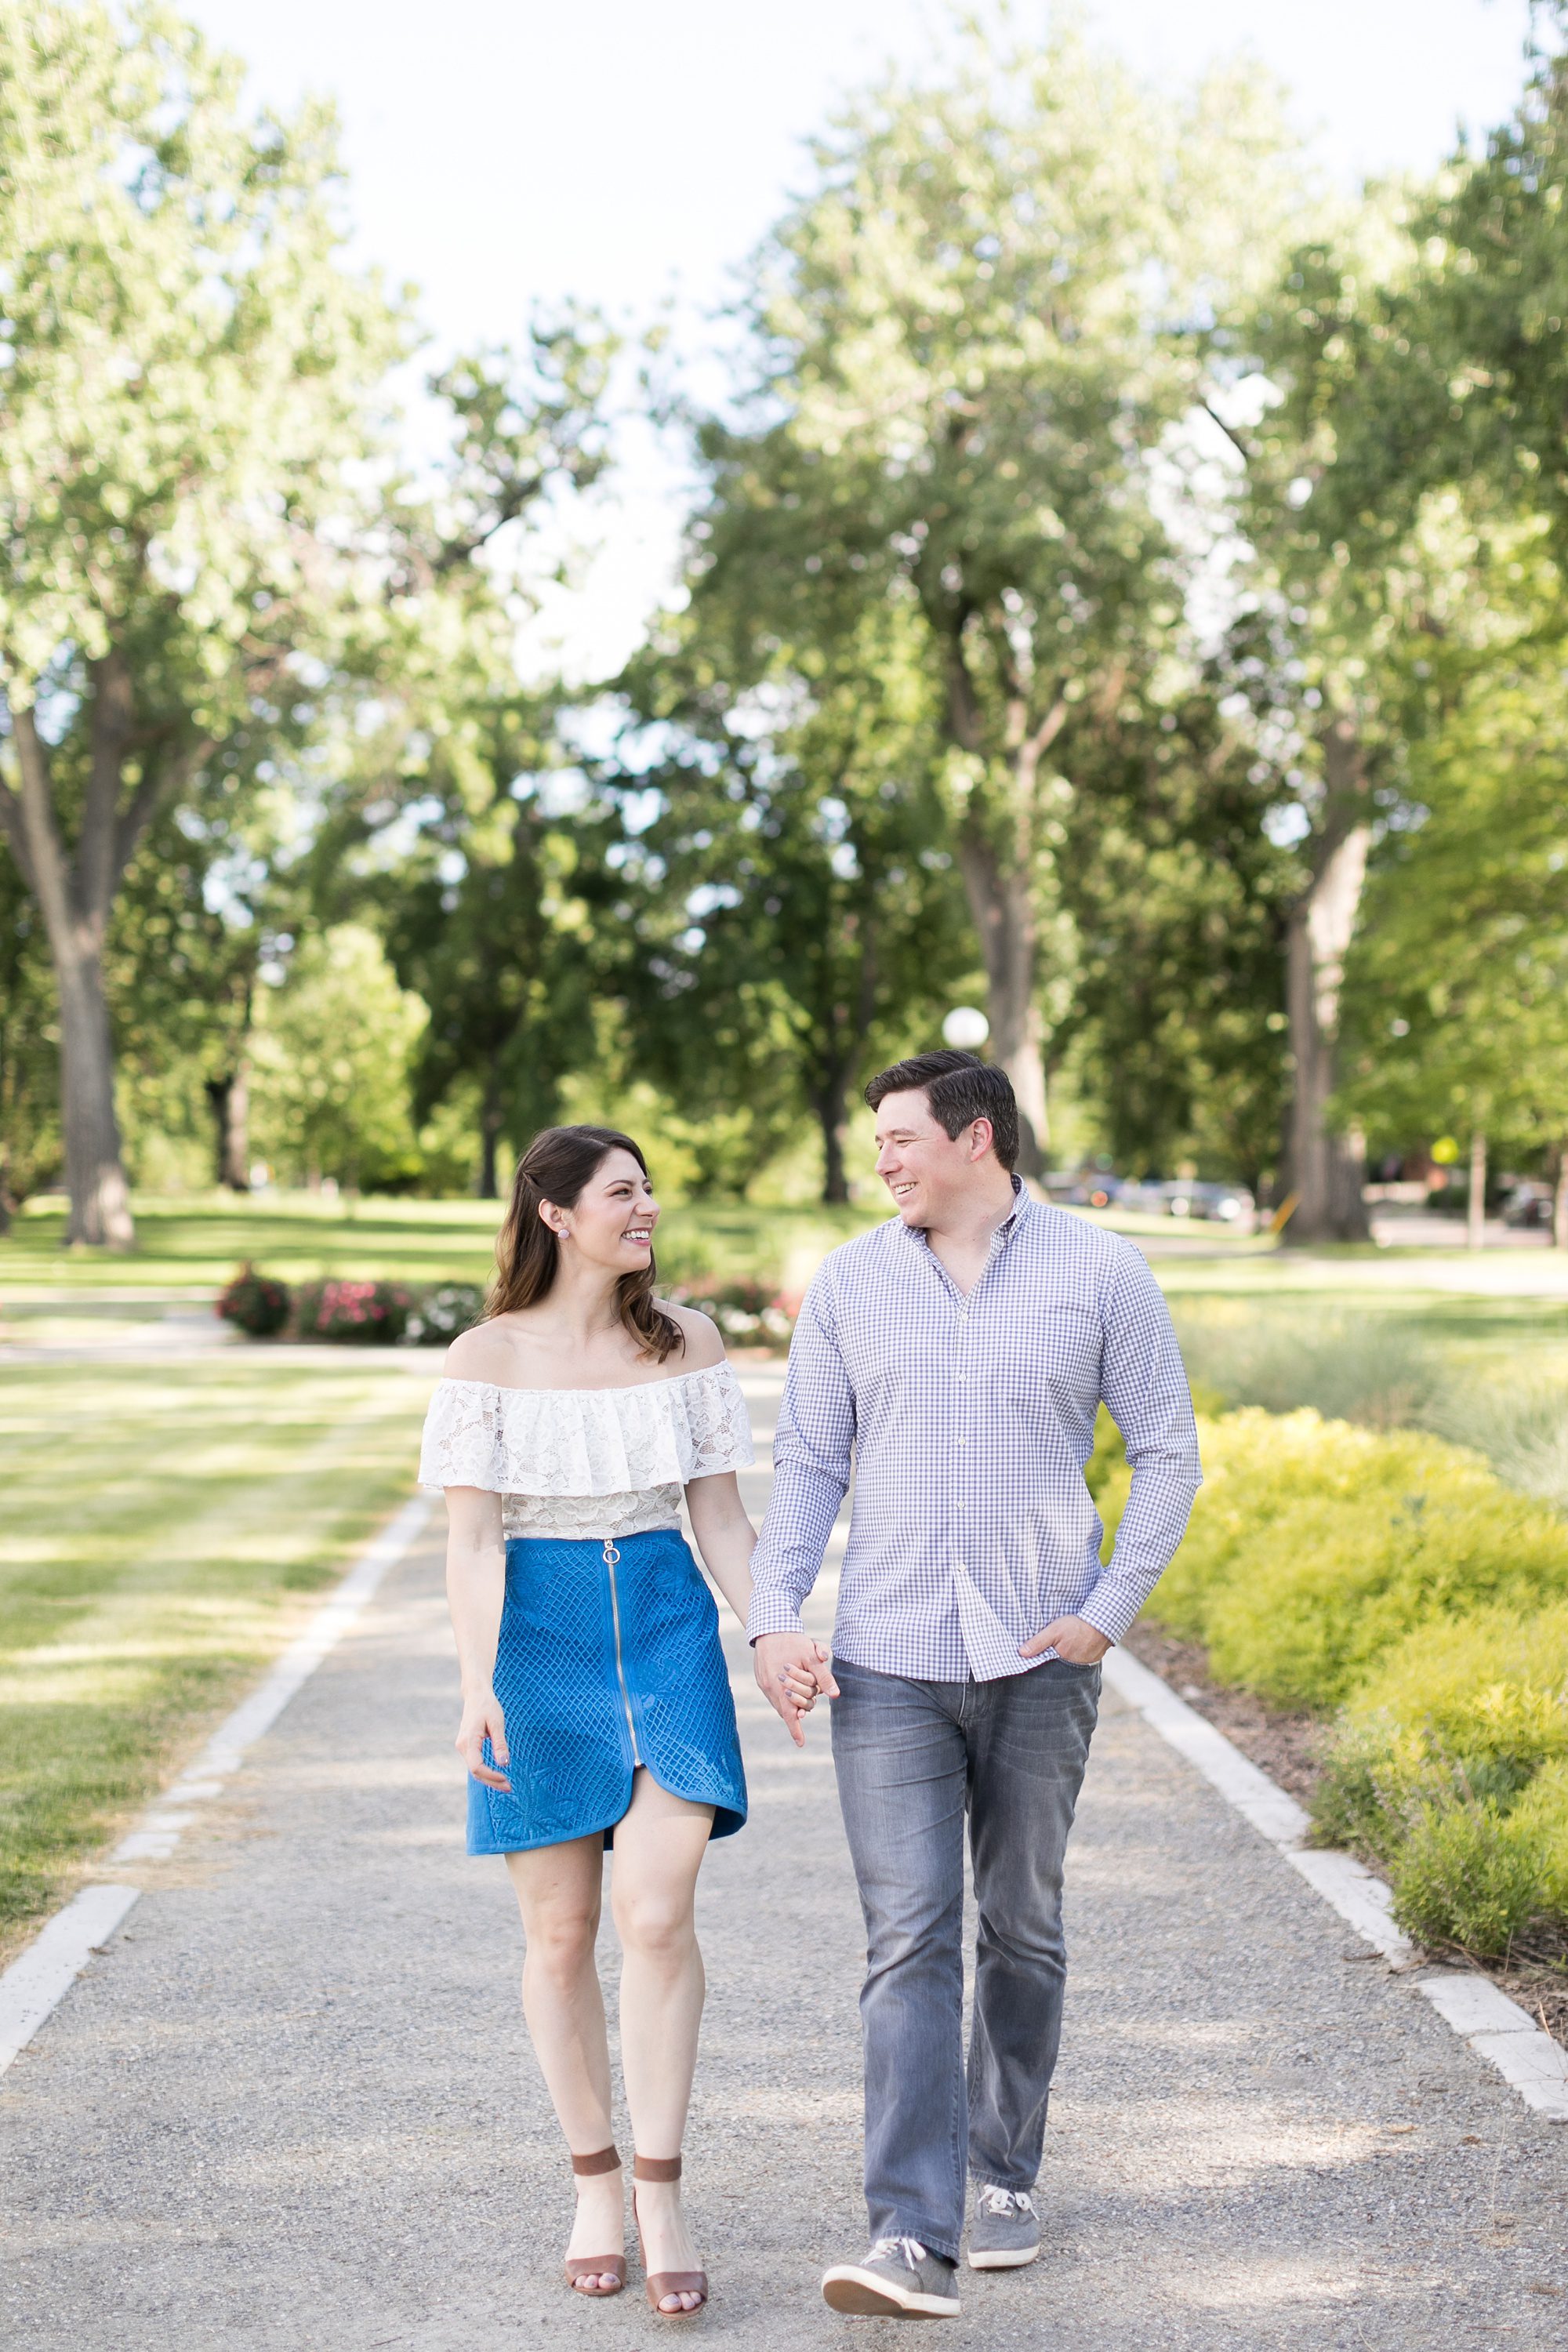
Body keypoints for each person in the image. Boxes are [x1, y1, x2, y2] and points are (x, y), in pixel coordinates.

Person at [747, 1051, 1202, 2320]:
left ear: (977, 1137)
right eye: (880, 1141)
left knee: (1023, 1929)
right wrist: (774, 1622)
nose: (884, 1159)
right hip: (887, 1662)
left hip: (1035, 1664)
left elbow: (1168, 1450)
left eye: (902, 1138)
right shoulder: (849, 1285)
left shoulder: (1102, 1271)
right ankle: (908, 2228)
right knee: (909, 1942)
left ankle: (1004, 2174)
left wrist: (1106, 1614)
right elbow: (808, 1470)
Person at [419, 1123, 822, 2317]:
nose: (645, 1211)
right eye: (620, 1194)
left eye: (649, 1192)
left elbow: (724, 1522)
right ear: (554, 1214)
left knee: (655, 1913)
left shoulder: (685, 1342)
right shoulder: (483, 1358)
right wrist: (477, 1680)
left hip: (662, 1632)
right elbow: (473, 1540)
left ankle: (660, 2185)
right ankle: (592, 2176)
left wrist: (772, 1634)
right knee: (560, 1936)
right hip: (536, 1646)